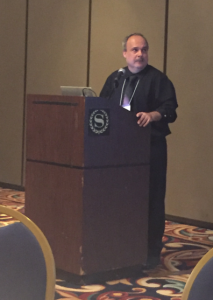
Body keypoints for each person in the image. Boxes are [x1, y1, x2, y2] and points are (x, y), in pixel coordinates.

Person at [100, 33, 178, 268]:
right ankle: (121, 246)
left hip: (149, 149)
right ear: (125, 53)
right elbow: (101, 105)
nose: (140, 54)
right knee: (121, 199)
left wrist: (152, 115)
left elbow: (170, 110)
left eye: (143, 50)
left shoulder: (157, 79)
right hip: (119, 151)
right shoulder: (115, 78)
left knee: (151, 200)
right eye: (134, 50)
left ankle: (151, 252)